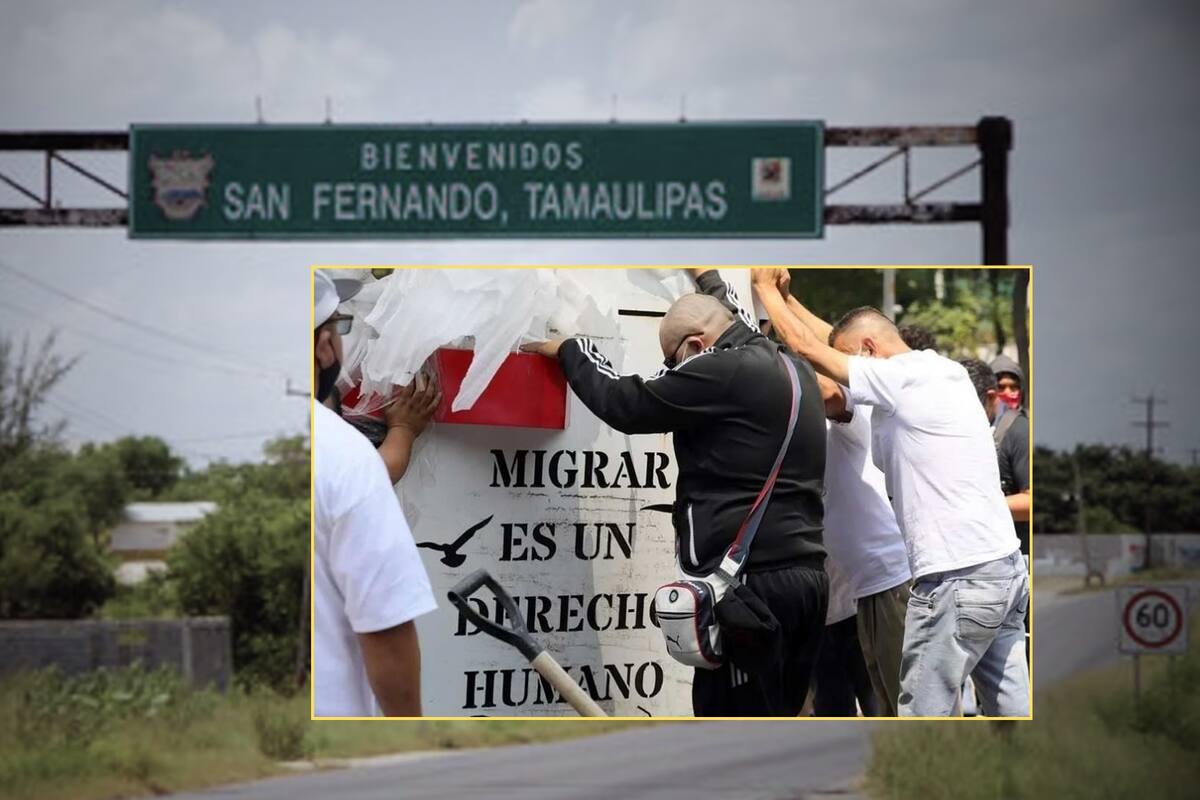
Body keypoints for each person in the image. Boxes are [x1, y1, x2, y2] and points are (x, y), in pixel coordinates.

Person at [522, 277, 829, 718]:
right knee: (779, 716)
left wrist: (572, 349)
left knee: (730, 721)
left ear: (697, 345)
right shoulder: (793, 369)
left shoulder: (719, 370)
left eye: (672, 362)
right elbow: (734, 318)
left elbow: (625, 403)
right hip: (807, 578)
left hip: (751, 588)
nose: (672, 372)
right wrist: (707, 275)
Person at [750, 268, 1028, 717]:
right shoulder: (943, 371)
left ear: (869, 352)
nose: (847, 377)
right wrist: (788, 298)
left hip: (956, 576)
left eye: (852, 364)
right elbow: (836, 340)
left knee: (921, 717)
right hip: (1003, 568)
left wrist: (763, 288)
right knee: (1009, 712)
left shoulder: (899, 380)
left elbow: (810, 350)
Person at [692, 268, 910, 716]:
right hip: (821, 602)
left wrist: (765, 300)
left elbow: (822, 370)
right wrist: (771, 298)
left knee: (890, 708)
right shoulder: (774, 424)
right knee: (830, 712)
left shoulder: (849, 408)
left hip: (872, 590)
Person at [312, 271, 437, 717]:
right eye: (340, 326)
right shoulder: (339, 453)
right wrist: (402, 431)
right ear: (324, 346)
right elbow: (386, 627)